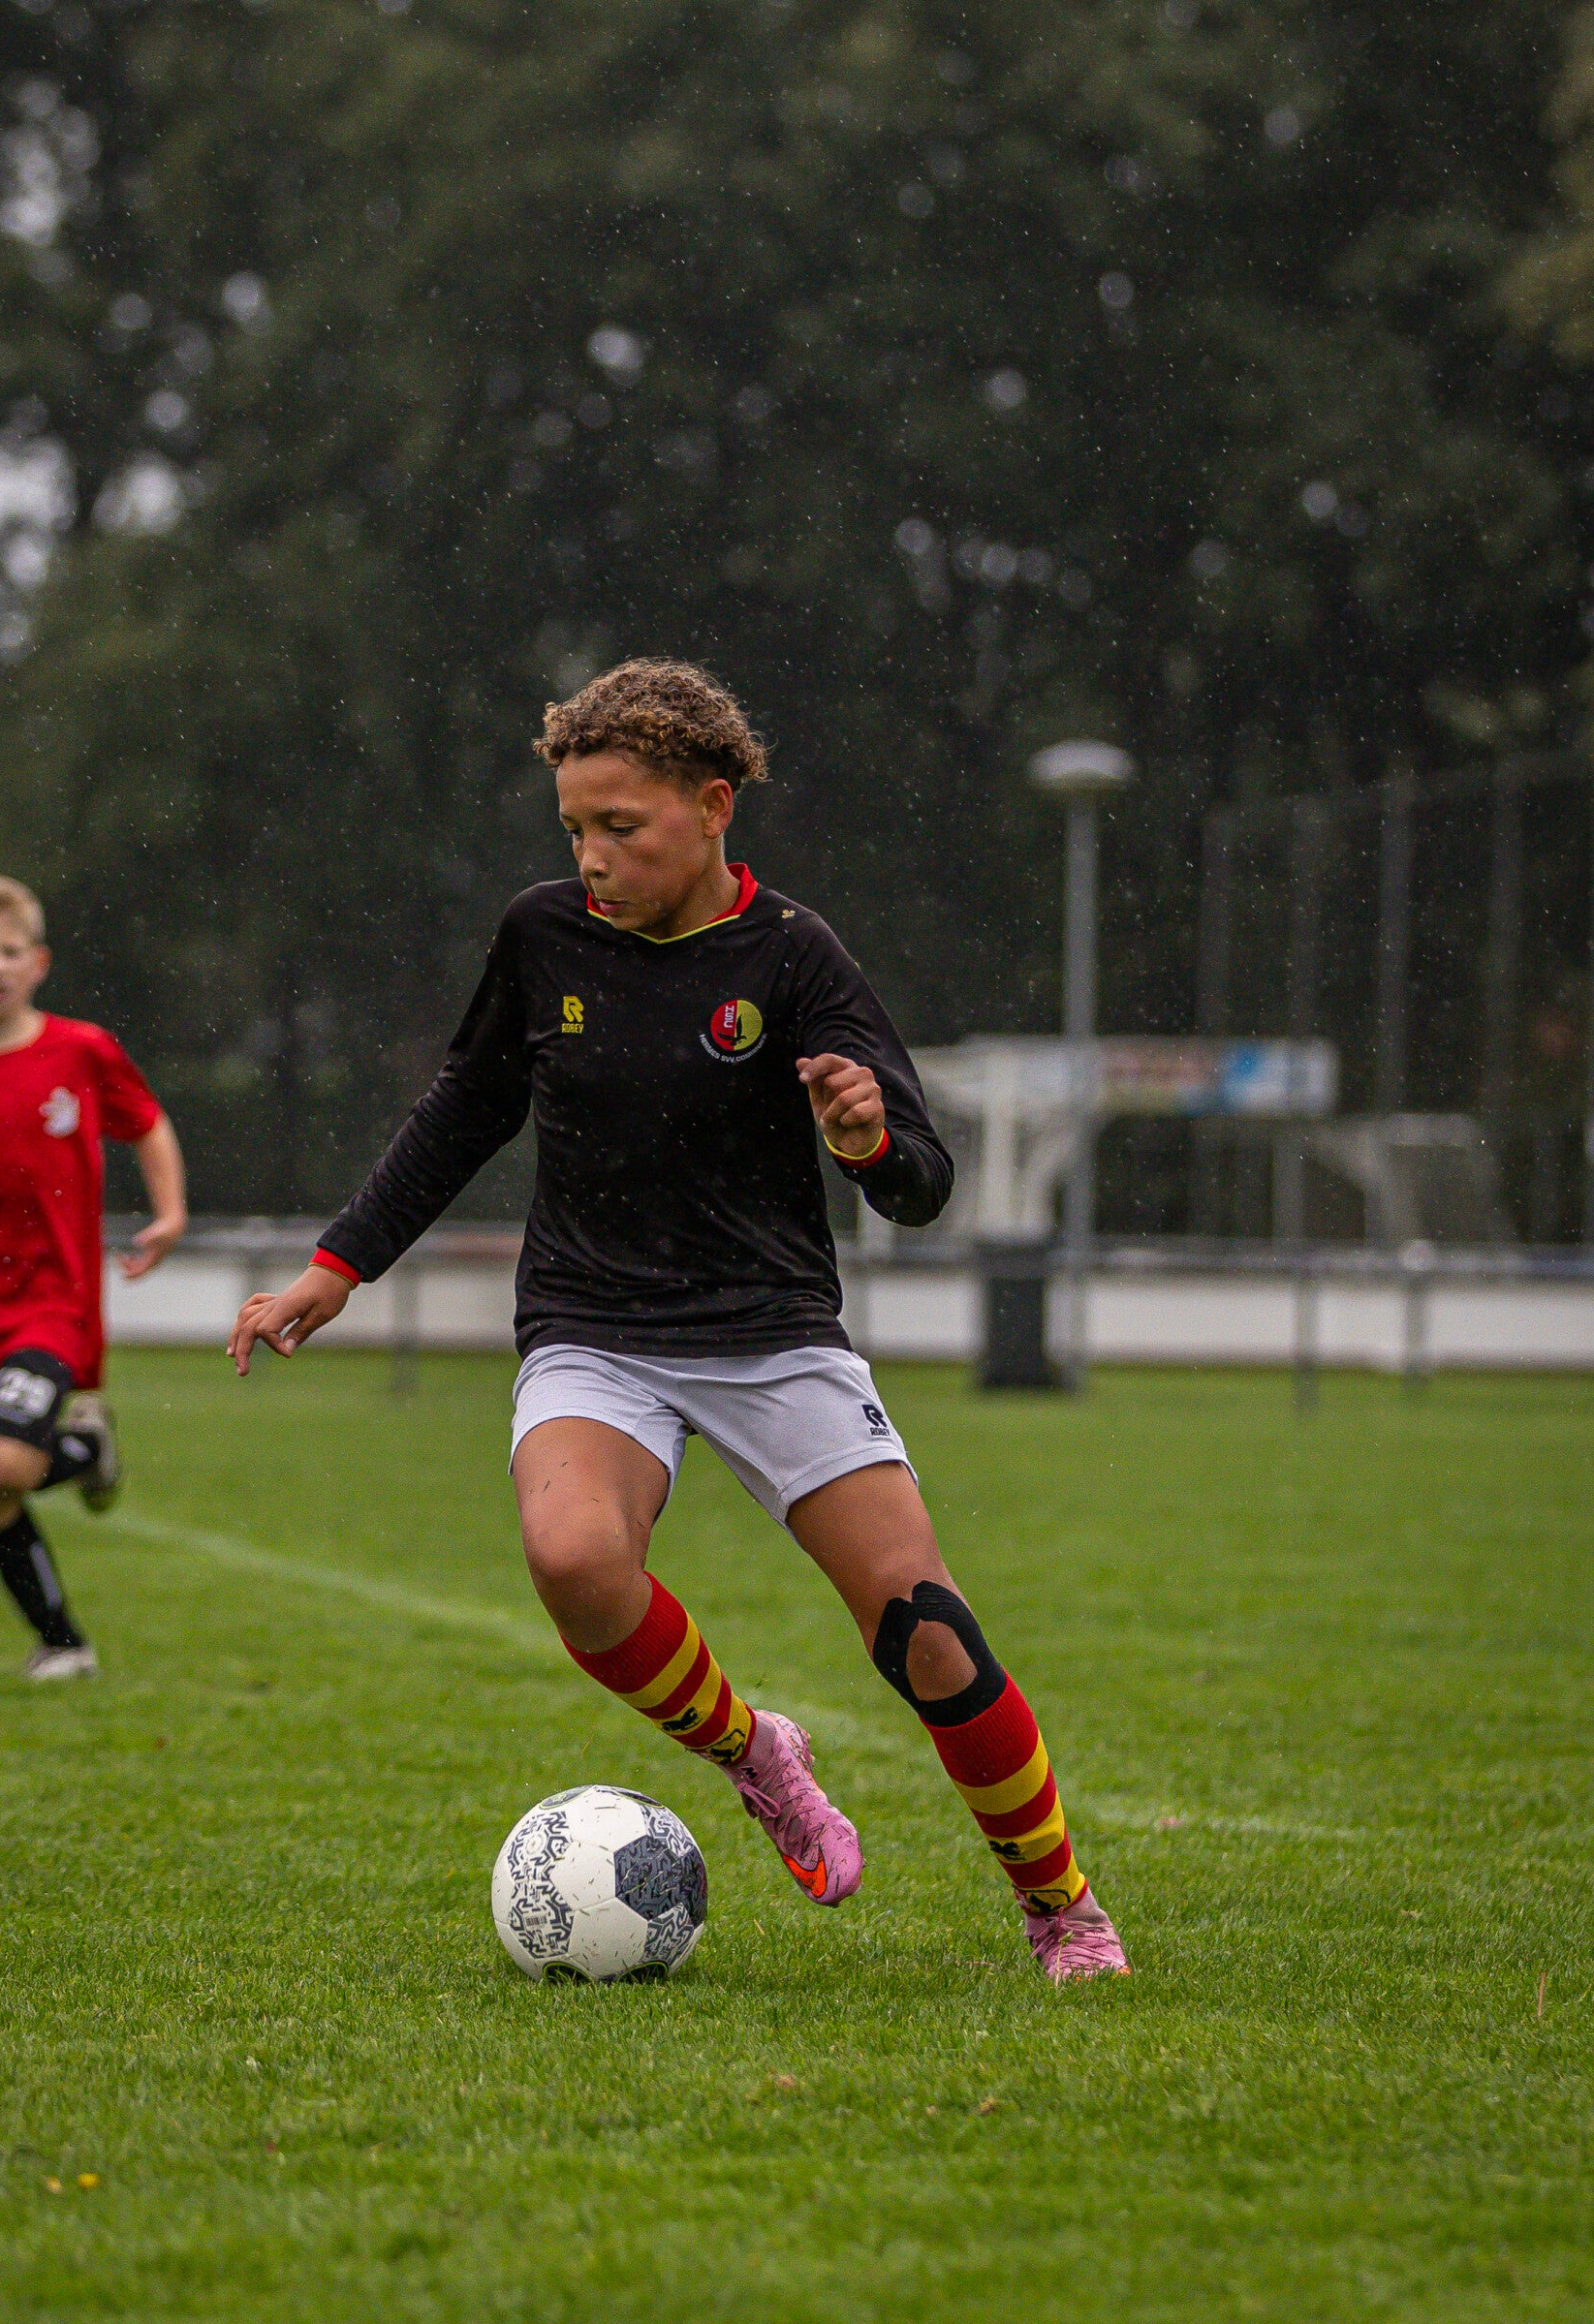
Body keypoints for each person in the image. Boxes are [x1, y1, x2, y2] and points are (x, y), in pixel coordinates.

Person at [230, 659, 1129, 1982]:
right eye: (574, 830)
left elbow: (923, 1179)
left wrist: (866, 1141)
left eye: (621, 826)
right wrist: (337, 1264)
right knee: (574, 1557)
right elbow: (462, 1111)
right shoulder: (543, 936)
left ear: (714, 807)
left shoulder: (795, 954)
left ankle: (1062, 1907)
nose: (592, 858)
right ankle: (758, 1753)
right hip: (593, 1328)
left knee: (926, 1627)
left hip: (775, 1333)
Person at [0, 875, 187, 1679]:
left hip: (53, 1299)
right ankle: (63, 1640)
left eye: (9, 951)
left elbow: (148, 1123)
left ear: (38, 962)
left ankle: (76, 1449)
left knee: (2, 1463)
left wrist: (169, 1212)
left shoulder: (81, 1050)